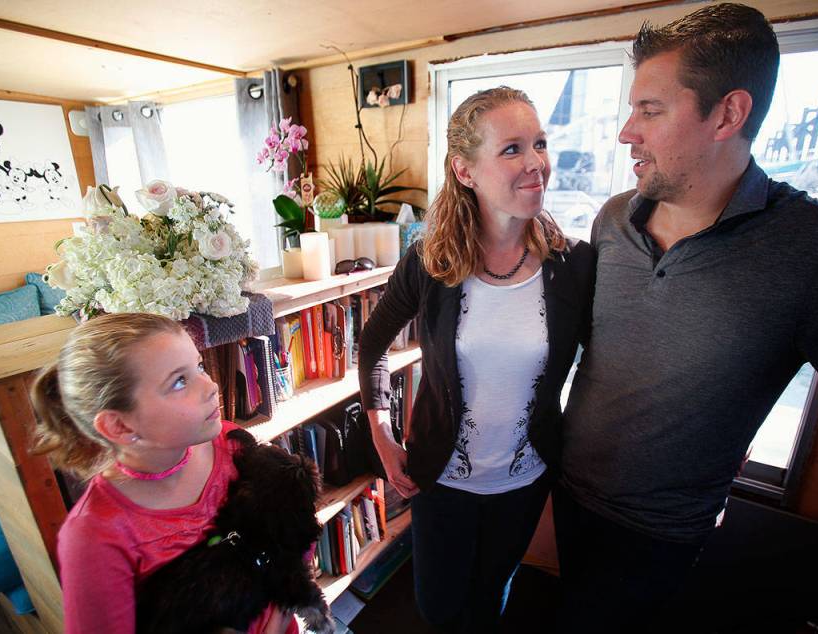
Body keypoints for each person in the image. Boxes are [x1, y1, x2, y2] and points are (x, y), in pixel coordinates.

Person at [557, 3, 818, 631]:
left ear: (729, 114)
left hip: (661, 532)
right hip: (570, 495)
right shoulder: (613, 218)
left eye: (650, 111)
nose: (625, 132)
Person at [358, 86, 594, 633]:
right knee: (439, 606)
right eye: (512, 149)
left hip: (526, 477)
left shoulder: (575, 264)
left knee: (490, 598)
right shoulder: (429, 260)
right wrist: (381, 433)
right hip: (441, 476)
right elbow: (373, 345)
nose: (536, 163)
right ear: (465, 172)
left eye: (539, 143)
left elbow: (607, 365)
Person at [30, 313, 294, 634]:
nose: (210, 385)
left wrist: (278, 621)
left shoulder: (230, 444)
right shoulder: (95, 537)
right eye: (179, 381)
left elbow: (289, 533)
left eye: (198, 366)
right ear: (120, 425)